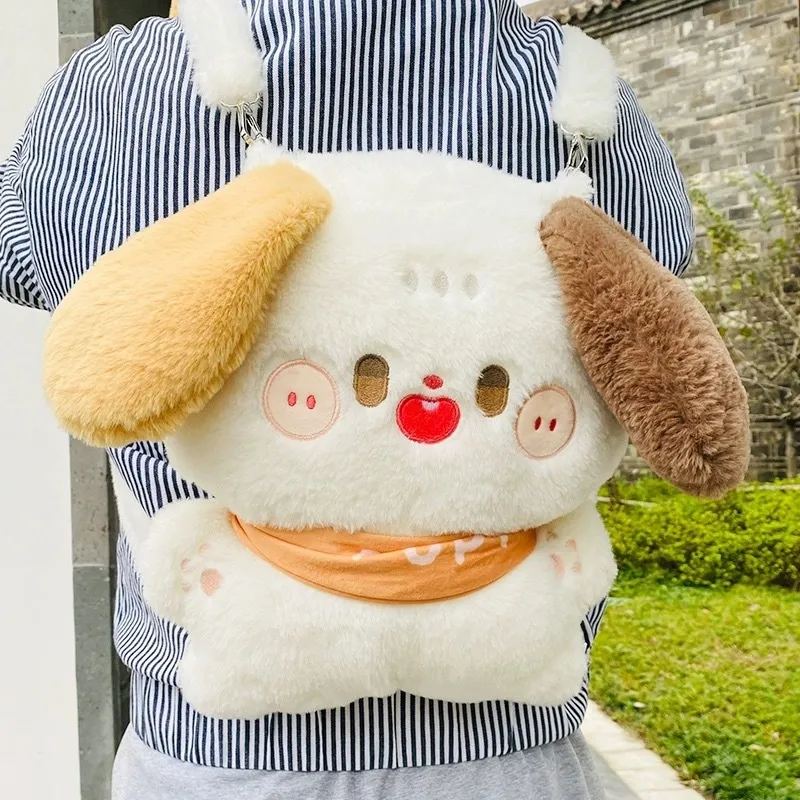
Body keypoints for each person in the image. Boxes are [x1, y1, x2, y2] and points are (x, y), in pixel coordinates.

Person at [0, 1, 693, 798]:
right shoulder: (587, 104)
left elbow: (29, 269)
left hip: (217, 759)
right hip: (509, 750)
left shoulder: (118, 97)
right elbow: (652, 308)